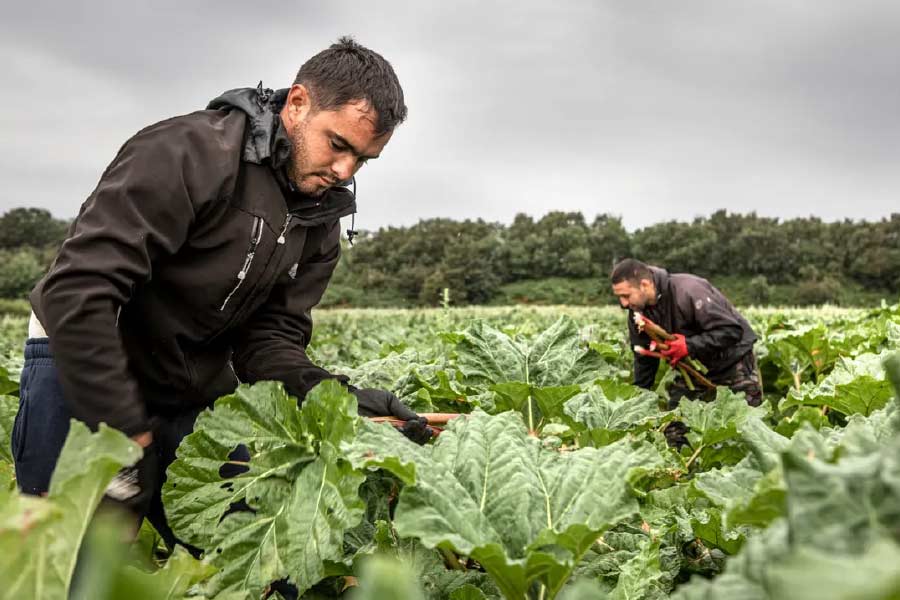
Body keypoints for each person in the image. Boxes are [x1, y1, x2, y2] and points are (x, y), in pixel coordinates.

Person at [10, 37, 429, 547]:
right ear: (297, 104)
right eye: (338, 144)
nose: (345, 171)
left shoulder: (319, 218)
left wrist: (338, 398)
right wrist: (122, 423)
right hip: (83, 361)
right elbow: (78, 291)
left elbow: (269, 341)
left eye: (363, 160)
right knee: (68, 561)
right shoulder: (189, 152)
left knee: (244, 553)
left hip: (183, 381)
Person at [610, 258, 762, 411]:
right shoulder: (637, 312)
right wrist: (637, 404)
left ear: (644, 284)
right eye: (619, 297)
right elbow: (645, 361)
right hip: (693, 372)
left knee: (745, 426)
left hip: (733, 363)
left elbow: (731, 330)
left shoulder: (688, 290)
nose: (623, 304)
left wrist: (689, 345)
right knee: (674, 428)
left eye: (626, 296)